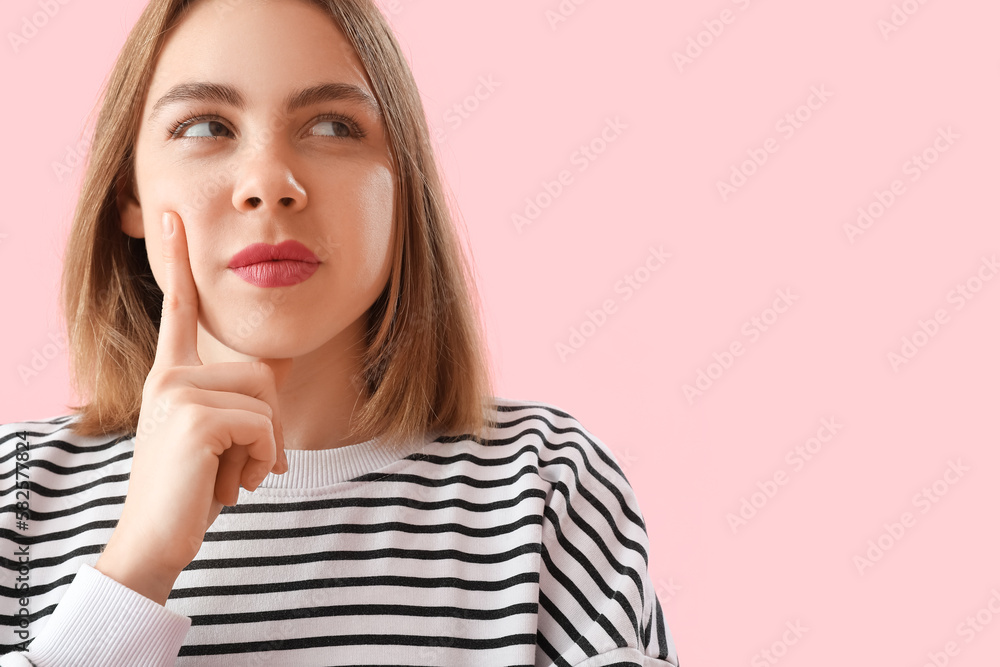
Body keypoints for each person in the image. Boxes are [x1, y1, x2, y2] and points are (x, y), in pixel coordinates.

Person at [0, 0, 681, 664]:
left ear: (402, 188)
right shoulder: (16, 488)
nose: (270, 183)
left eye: (332, 126)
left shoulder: (545, 486)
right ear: (129, 194)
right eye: (207, 126)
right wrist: (136, 566)